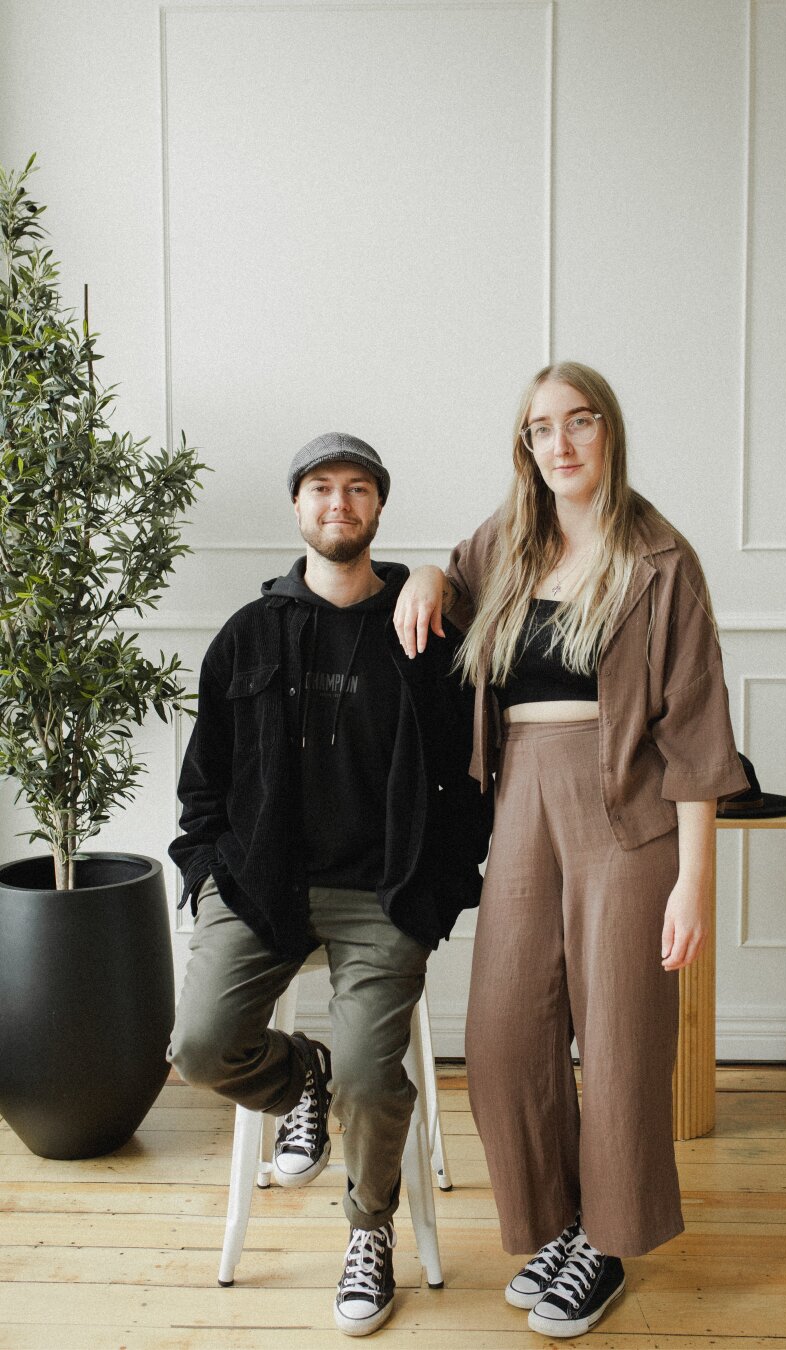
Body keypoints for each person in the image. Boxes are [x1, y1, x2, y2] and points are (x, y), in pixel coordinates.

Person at [393, 362, 747, 1339]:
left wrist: (695, 883)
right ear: (526, 447)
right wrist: (425, 574)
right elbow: (448, 578)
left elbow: (698, 730)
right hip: (521, 797)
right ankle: (554, 1220)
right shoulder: (508, 539)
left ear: (608, 431)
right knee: (506, 1034)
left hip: (626, 808)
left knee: (624, 1035)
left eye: (578, 422)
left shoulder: (661, 558)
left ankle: (607, 1239)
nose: (559, 444)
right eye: (539, 429)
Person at [168, 432, 492, 1337]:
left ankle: (368, 1230)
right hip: (262, 884)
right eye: (321, 488)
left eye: (357, 489)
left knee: (370, 1073)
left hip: (382, 892)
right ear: (298, 507)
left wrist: (437, 893)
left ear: (378, 507)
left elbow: (470, 787)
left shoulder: (428, 633)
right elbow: (203, 786)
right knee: (198, 1047)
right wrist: (205, 878)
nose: (339, 503)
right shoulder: (248, 634)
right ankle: (297, 1081)